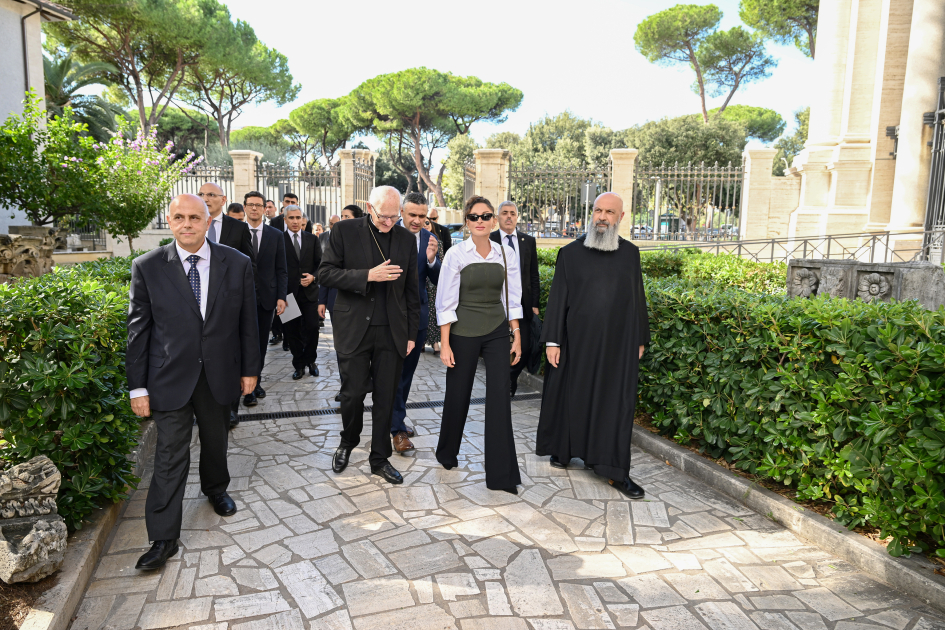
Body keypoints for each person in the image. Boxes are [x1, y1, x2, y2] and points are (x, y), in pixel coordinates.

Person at [127, 194, 259, 570]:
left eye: (194, 217)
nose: (187, 224)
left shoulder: (237, 264)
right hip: (168, 378)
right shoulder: (148, 266)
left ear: (207, 221)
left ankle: (216, 489)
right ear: (170, 221)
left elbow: (248, 323)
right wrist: (138, 387)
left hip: (219, 375)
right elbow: (138, 331)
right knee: (169, 455)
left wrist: (250, 370)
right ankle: (163, 538)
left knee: (216, 441)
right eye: (179, 217)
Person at [536, 192, 650, 499]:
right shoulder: (570, 253)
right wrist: (553, 340)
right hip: (575, 343)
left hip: (616, 347)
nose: (602, 216)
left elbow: (636, 298)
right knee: (570, 395)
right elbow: (559, 298)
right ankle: (564, 449)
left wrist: (640, 338)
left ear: (621, 217)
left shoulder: (630, 254)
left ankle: (613, 471)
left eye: (609, 212)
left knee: (614, 404)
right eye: (598, 210)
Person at [318, 186, 420, 485]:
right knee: (352, 394)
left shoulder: (405, 238)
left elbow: (412, 290)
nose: (389, 222)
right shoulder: (345, 231)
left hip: (392, 331)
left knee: (386, 397)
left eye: (394, 216)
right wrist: (366, 275)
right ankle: (348, 441)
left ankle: (379, 458)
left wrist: (412, 332)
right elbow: (325, 274)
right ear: (368, 207)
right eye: (383, 216)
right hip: (353, 328)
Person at [436, 196, 522, 494]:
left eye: (486, 216)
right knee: (458, 395)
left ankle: (502, 475)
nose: (481, 221)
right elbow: (445, 301)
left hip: (498, 330)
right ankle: (447, 452)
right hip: (463, 332)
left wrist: (517, 333)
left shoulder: (505, 252)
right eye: (474, 217)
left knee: (500, 398)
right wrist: (444, 343)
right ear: (467, 222)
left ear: (494, 221)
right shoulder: (456, 254)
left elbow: (512, 297)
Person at [390, 192, 441, 453]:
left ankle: (396, 420)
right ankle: (396, 427)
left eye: (422, 216)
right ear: (401, 212)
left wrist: (432, 259)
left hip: (417, 318)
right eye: (413, 215)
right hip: (389, 318)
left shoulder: (431, 240)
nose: (418, 220)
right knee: (392, 374)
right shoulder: (387, 234)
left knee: (406, 375)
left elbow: (437, 279)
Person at [241, 191, 287, 410]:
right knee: (238, 343)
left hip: (266, 299)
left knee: (259, 343)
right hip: (239, 298)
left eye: (258, 205)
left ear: (265, 209)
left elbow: (281, 269)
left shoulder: (276, 235)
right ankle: (239, 383)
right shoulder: (236, 233)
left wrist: (281, 297)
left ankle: (254, 384)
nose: (254, 209)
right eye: (250, 205)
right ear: (245, 207)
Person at [491, 201, 540, 396]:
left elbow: (533, 274)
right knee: (500, 346)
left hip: (523, 305)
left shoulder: (527, 241)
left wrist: (535, 304)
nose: (509, 216)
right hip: (497, 304)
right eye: (504, 213)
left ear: (517, 217)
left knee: (525, 347)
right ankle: (505, 385)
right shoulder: (490, 238)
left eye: (512, 213)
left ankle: (510, 379)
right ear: (498, 218)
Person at [318, 206, 362, 402]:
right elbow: (326, 272)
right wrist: (322, 300)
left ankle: (359, 383)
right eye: (341, 216)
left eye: (347, 216)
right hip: (337, 303)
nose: (343, 219)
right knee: (342, 347)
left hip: (360, 305)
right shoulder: (335, 240)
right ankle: (346, 386)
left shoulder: (365, 242)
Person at [283, 205, 322, 380]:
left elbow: (321, 265)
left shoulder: (312, 239)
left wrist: (313, 277)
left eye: (298, 218)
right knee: (292, 331)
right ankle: (298, 364)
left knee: (313, 328)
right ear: (285, 220)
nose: (295, 221)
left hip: (310, 293)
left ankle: (311, 361)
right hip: (288, 294)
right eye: (291, 218)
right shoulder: (279, 239)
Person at [424, 216, 445, 353]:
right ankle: (422, 342)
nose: (425, 225)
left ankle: (435, 342)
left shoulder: (438, 243)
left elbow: (441, 261)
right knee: (423, 314)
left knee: (434, 314)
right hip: (421, 283)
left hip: (434, 284)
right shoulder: (415, 240)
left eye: (428, 223)